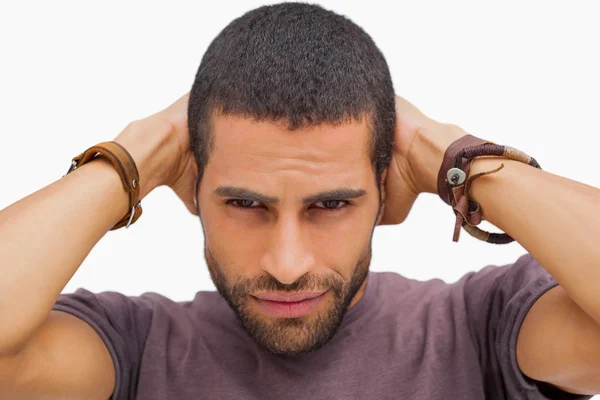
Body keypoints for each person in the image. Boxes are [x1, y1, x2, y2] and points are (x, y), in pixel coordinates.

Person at [0, 2, 599, 399]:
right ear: (190, 189)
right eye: (245, 205)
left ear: (387, 194)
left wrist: (448, 154)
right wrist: (130, 158)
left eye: (330, 205)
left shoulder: (480, 327)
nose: (286, 265)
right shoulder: (133, 345)